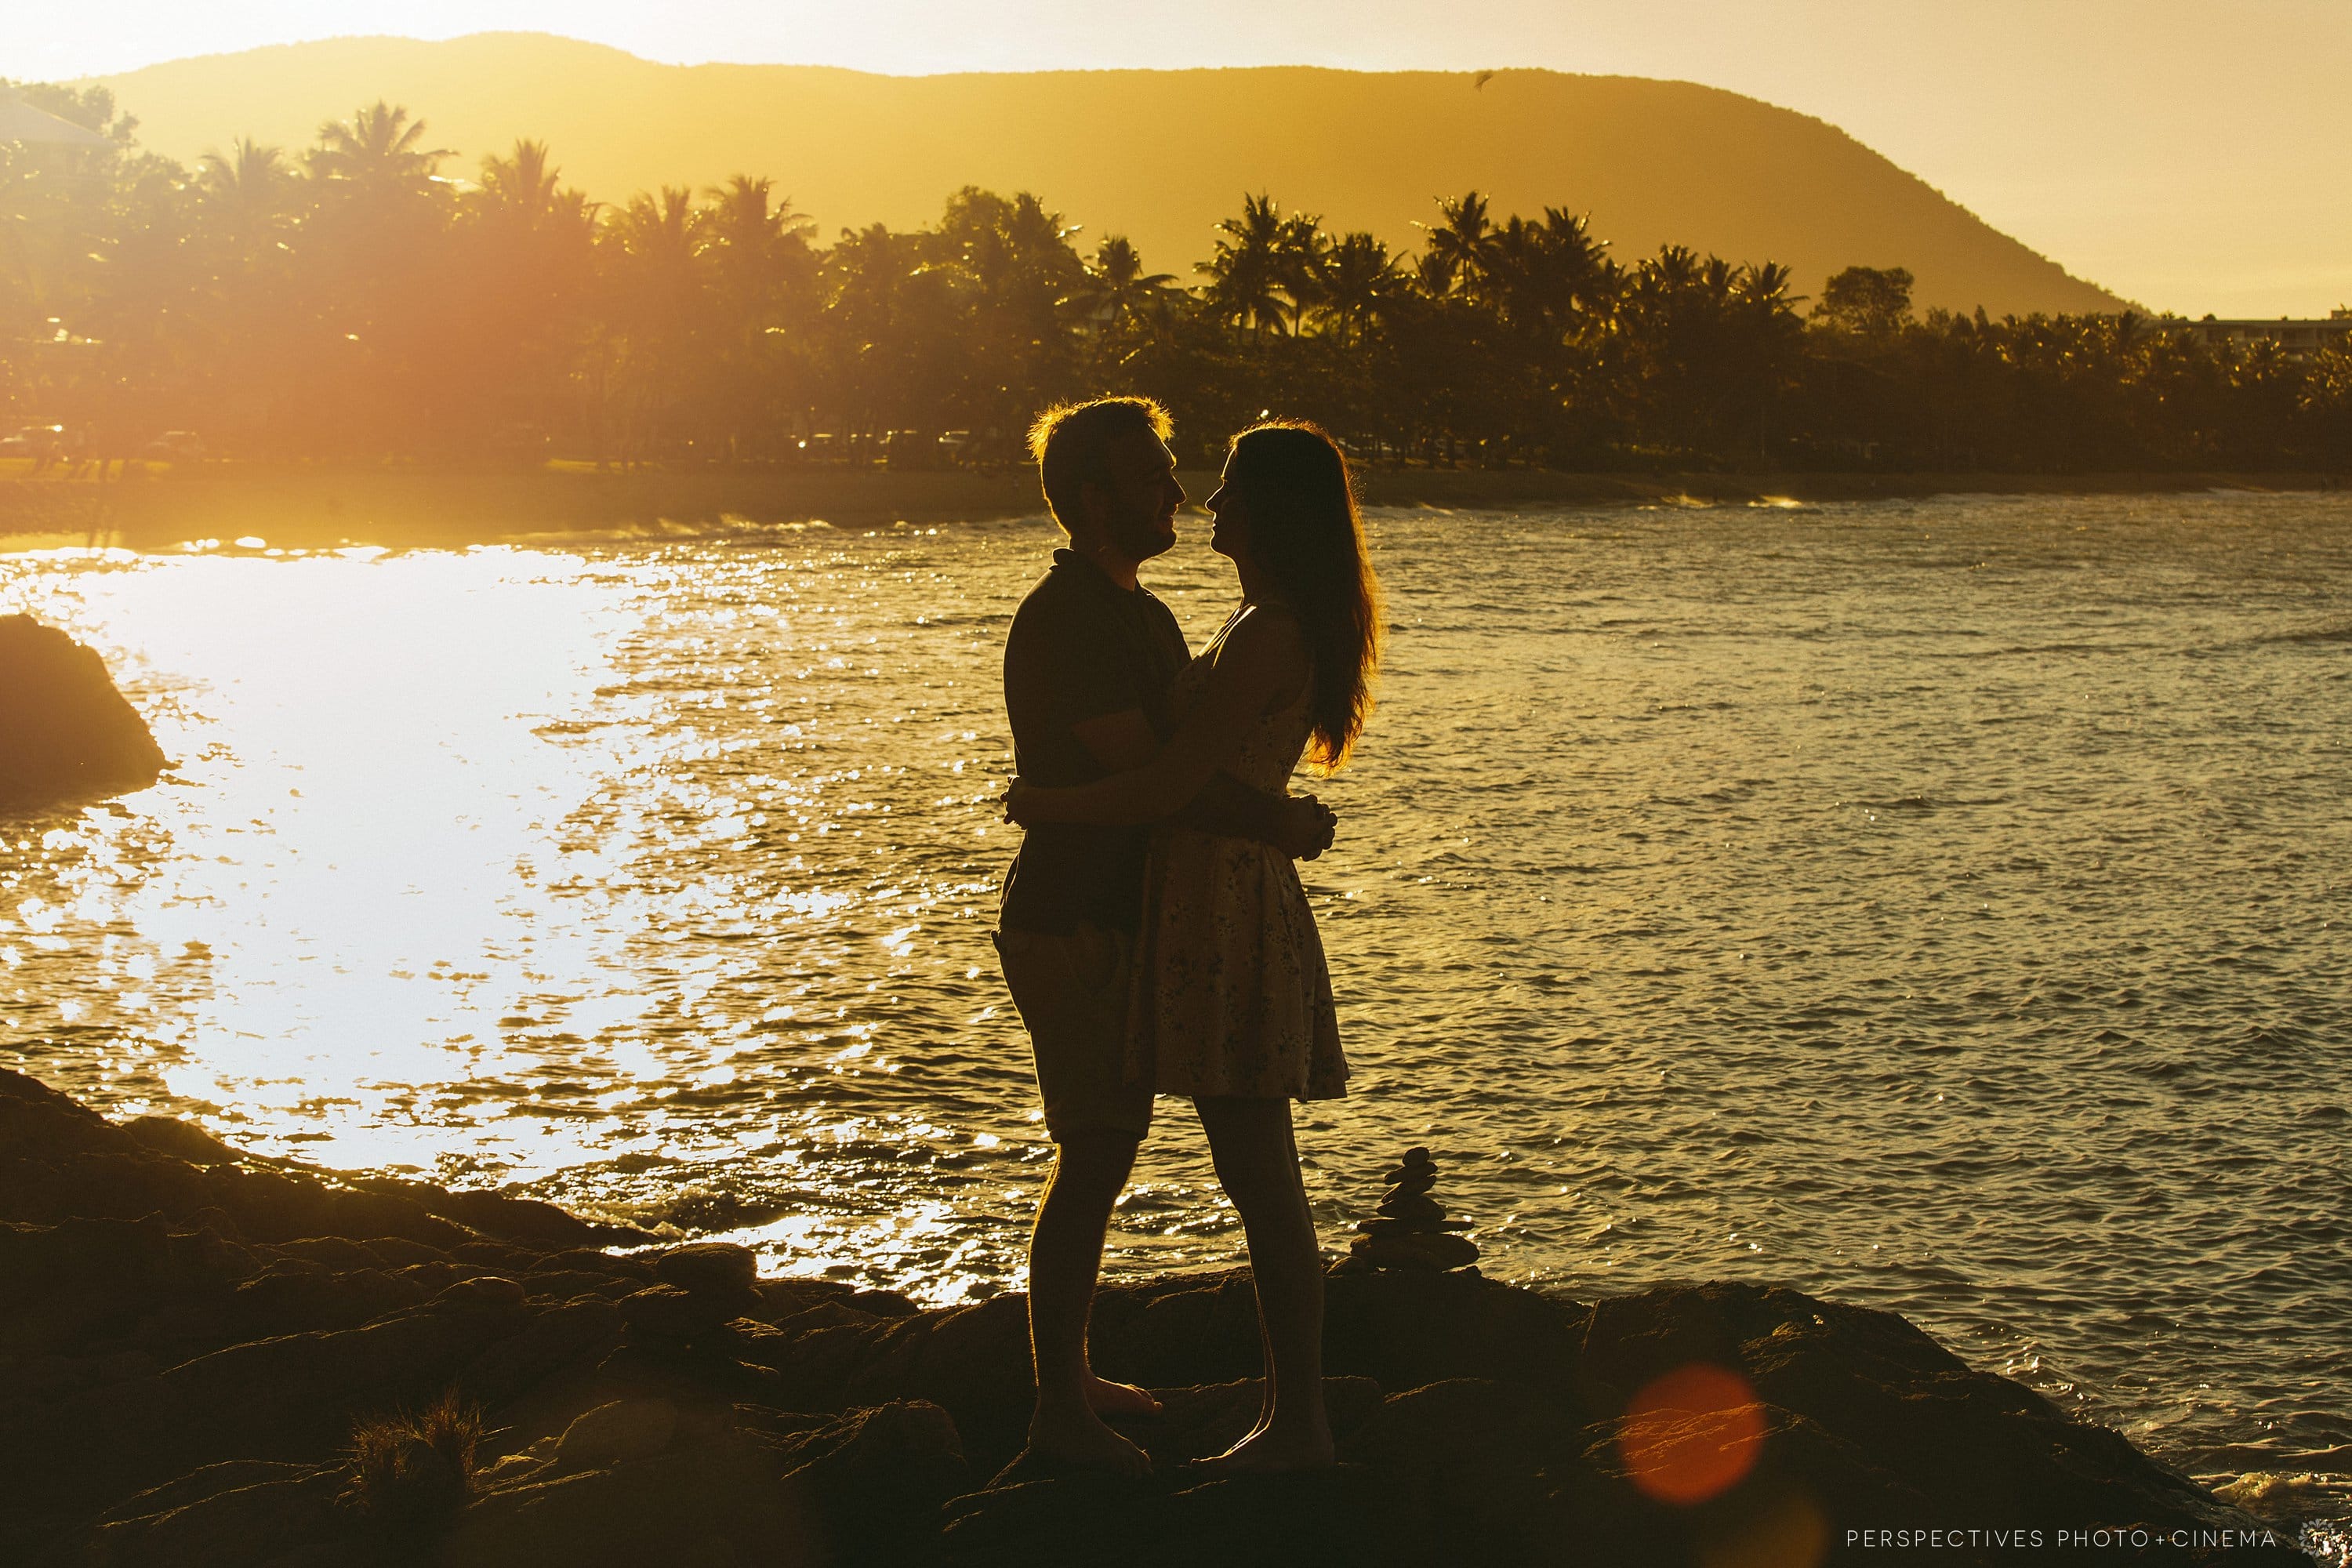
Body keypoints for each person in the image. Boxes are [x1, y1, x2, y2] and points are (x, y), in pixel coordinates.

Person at [1007, 420, 1381, 1474]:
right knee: (1111, 1154)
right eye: (1160, 478)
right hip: (1131, 915)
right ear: (1091, 495)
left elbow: (1173, 783)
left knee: (1248, 1173)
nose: (1195, 498)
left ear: (1273, 512)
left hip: (1211, 910)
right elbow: (1184, 768)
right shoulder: (1087, 619)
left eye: (1220, 487)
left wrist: (1045, 801)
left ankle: (1293, 1425)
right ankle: (1070, 1405)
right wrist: (1283, 822)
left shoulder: (1237, 625)